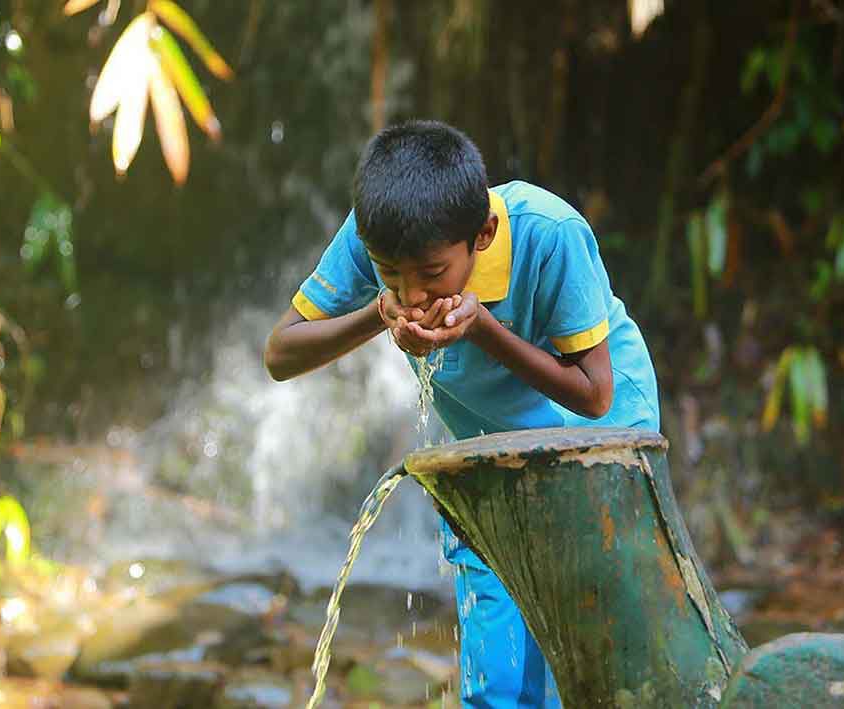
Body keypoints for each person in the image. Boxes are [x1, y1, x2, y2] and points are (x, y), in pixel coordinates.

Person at [264, 119, 660, 707]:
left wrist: (481, 330)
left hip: (599, 442)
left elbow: (593, 392)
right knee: (496, 676)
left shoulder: (548, 234)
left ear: (483, 234)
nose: (413, 293)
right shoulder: (378, 238)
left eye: (430, 274)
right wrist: (378, 313)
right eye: (390, 273)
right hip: (485, 457)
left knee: (588, 650)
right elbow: (280, 353)